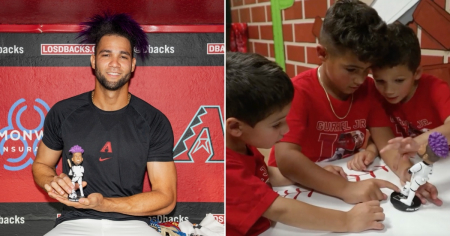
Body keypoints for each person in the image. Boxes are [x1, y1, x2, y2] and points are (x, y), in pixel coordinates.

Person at [31, 13, 176, 236]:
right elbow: (41, 165)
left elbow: (166, 199)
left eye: (123, 56)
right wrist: (52, 181)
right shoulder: (64, 112)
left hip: (133, 224)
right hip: (74, 222)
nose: (114, 64)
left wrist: (103, 204)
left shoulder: (153, 120)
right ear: (93, 60)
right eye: (106, 54)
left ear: (133, 65)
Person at [226, 52, 387, 236]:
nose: (286, 129)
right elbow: (279, 209)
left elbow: (264, 173)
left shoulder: (240, 141)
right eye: (276, 124)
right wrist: (347, 220)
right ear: (235, 126)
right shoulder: (224, 169)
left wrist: (311, 175)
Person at [267, 0, 400, 205]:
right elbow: (287, 160)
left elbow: (387, 144)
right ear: (322, 54)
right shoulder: (298, 91)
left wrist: (409, 172)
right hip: (292, 186)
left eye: (367, 70)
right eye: (351, 69)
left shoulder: (368, 90)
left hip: (343, 176)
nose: (360, 79)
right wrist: (346, 189)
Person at [355, 22, 449, 205]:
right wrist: (408, 174)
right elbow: (384, 137)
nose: (389, 90)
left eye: (399, 80)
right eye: (380, 80)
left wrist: (418, 142)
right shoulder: (376, 96)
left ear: (417, 73)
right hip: (420, 165)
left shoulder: (435, 89)